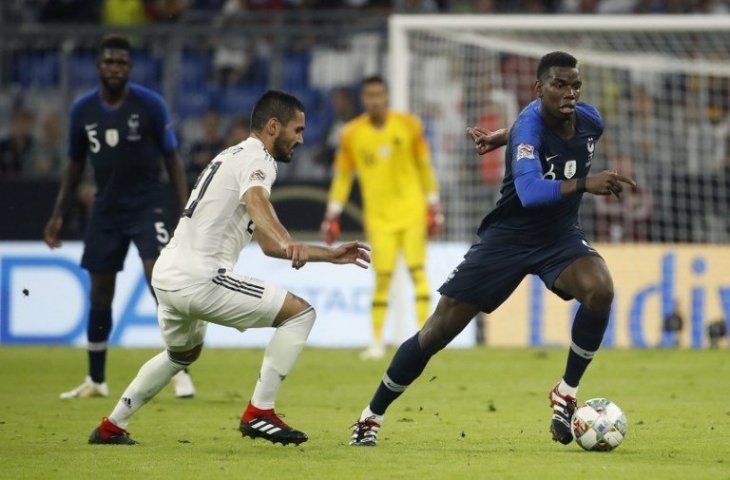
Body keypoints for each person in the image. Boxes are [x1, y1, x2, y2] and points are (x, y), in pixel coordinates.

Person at [349, 51, 636, 447]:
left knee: (600, 289)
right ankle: (370, 416)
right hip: (507, 238)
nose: (569, 93)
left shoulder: (591, 121)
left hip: (559, 236)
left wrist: (503, 135)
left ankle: (566, 392)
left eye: (575, 85)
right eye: (559, 85)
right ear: (539, 89)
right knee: (436, 333)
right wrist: (585, 181)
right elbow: (532, 192)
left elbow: (530, 132)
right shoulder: (529, 125)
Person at [87, 90, 371, 445]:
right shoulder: (259, 159)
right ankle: (260, 412)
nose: (300, 139)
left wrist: (327, 254)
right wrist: (288, 239)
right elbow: (257, 200)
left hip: (168, 275)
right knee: (301, 314)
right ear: (273, 126)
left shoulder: (229, 156)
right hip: (200, 278)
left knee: (182, 354)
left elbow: (268, 246)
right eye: (296, 130)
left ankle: (113, 425)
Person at [43, 34, 195, 400]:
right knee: (100, 293)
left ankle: (181, 371)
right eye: (109, 62)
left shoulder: (150, 105)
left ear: (129, 68)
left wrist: (187, 210)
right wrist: (57, 215)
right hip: (106, 209)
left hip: (148, 206)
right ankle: (96, 380)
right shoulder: (82, 110)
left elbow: (172, 160)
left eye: (122, 63)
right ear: (99, 66)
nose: (115, 68)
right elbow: (75, 165)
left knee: (161, 285)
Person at [320, 75, 444, 360]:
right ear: (363, 99)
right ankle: (376, 342)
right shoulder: (351, 133)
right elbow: (342, 177)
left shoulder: (409, 125)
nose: (375, 100)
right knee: (382, 278)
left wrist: (433, 204)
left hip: (412, 211)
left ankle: (426, 338)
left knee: (418, 272)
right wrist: (332, 214)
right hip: (378, 217)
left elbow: (425, 167)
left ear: (387, 96)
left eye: (379, 94)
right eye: (369, 95)